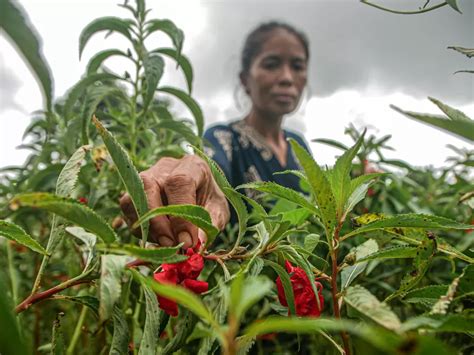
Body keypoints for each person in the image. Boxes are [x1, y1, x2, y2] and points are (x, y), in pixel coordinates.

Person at [120, 21, 311, 249]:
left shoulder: (298, 144)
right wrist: (189, 177)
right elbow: (210, 170)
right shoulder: (223, 137)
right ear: (245, 80)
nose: (287, 77)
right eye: (271, 65)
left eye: (298, 66)